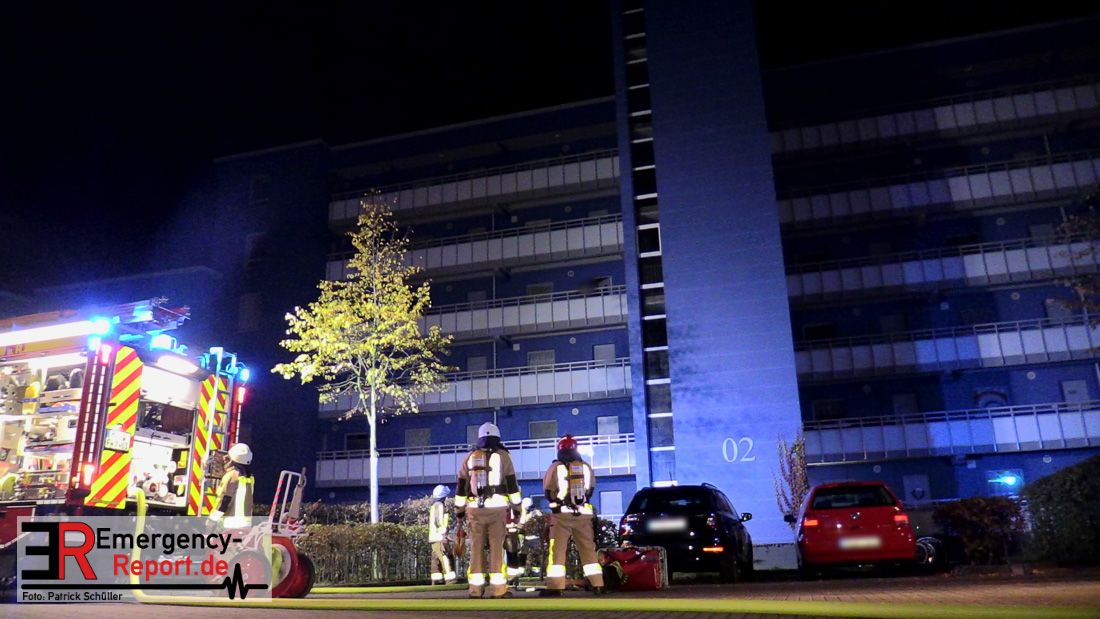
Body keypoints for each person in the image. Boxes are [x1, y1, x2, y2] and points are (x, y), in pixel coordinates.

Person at [454, 422, 522, 599]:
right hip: (497, 509)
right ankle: (498, 590)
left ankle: (475, 590)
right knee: (496, 549)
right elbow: (512, 485)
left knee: (476, 548)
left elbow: (461, 487)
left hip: (474, 509)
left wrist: (459, 511)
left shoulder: (470, 457)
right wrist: (517, 509)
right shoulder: (504, 456)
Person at [540, 435, 604, 596]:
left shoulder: (555, 467)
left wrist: (557, 501)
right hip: (583, 515)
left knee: (557, 552)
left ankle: (556, 587)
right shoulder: (586, 467)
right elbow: (590, 490)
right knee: (588, 550)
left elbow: (548, 490)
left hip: (561, 516)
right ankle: (597, 584)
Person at [208, 443, 254, 530]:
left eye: (228, 456)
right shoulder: (249, 478)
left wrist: (212, 520)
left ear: (232, 460)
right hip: (245, 525)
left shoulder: (232, 475)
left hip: (230, 525)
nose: (225, 458)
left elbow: (224, 500)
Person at [429, 484, 458, 585]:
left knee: (436, 558)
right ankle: (450, 579)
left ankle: (437, 579)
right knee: (445, 556)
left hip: (434, 537)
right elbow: (439, 521)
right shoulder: (440, 506)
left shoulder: (434, 505)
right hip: (439, 537)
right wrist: (443, 535)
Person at [504, 496, 533, 583]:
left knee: (516, 550)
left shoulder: (519, 509)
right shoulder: (507, 508)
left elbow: (522, 520)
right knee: (511, 550)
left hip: (514, 533)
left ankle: (514, 573)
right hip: (508, 532)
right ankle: (512, 573)